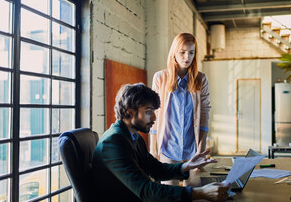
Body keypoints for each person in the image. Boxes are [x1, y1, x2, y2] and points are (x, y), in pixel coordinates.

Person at [92, 83, 229, 202]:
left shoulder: (133, 137)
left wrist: (187, 165)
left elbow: (156, 170)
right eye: (148, 111)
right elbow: (145, 191)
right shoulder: (113, 142)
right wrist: (200, 192)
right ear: (129, 112)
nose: (154, 117)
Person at [150, 33, 210, 185]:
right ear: (174, 53)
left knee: (193, 194)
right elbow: (154, 115)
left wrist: (201, 151)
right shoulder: (160, 78)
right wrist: (153, 149)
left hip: (192, 150)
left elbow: (204, 115)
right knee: (171, 196)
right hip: (168, 149)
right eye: (182, 52)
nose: (187, 57)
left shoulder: (201, 79)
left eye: (191, 52)